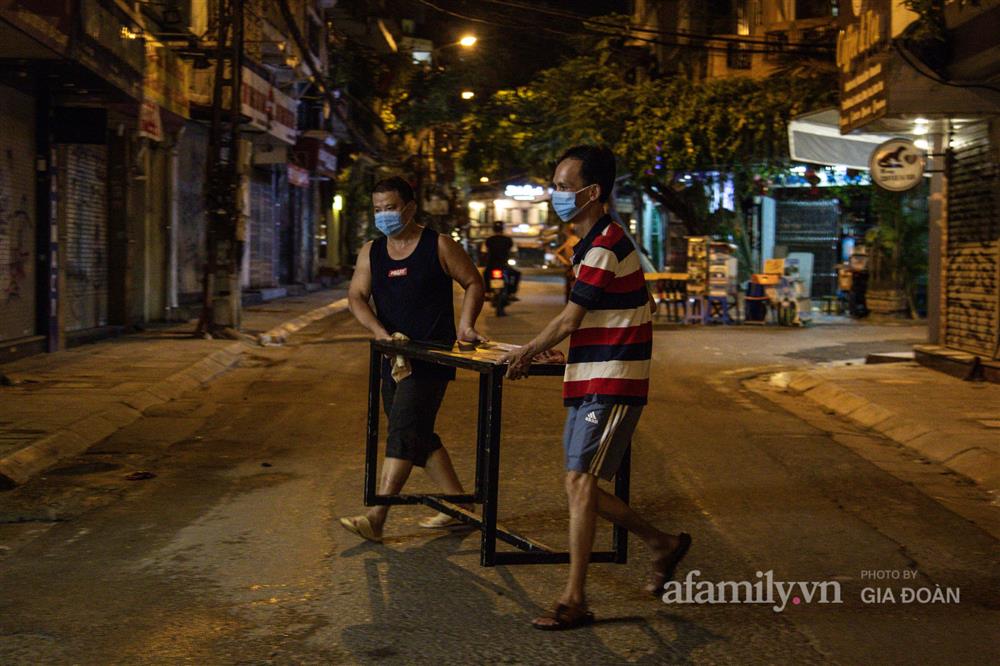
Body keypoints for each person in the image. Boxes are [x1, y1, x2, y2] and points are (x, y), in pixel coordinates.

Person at [500, 146, 691, 631]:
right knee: (576, 483)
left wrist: (524, 352)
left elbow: (570, 317)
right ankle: (662, 543)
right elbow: (598, 319)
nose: (556, 194)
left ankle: (574, 598)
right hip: (591, 375)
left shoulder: (605, 243)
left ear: (593, 192)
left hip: (614, 379)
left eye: (564, 187)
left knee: (581, 482)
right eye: (555, 184)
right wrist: (571, 350)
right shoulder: (588, 245)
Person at [339, 176, 486, 543]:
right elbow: (356, 296)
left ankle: (377, 516)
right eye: (378, 209)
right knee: (416, 433)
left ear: (409, 207)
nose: (384, 215)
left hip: (431, 357)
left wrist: (466, 326)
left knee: (404, 430)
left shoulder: (438, 245)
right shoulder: (371, 252)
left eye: (390, 208)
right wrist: (378, 332)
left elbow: (473, 282)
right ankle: (460, 508)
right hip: (393, 358)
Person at [482, 221, 521, 296]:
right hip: (504, 264)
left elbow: (483, 252)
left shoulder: (488, 240)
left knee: (485, 274)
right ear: (503, 229)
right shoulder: (509, 240)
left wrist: (485, 260)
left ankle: (487, 292)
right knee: (517, 274)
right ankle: (512, 292)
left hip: (491, 264)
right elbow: (514, 252)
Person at [553, 223, 580, 303]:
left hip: (571, 266)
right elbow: (557, 252)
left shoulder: (571, 240)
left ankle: (571, 303)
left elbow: (557, 252)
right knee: (572, 285)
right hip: (574, 266)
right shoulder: (575, 240)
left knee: (570, 285)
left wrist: (565, 261)